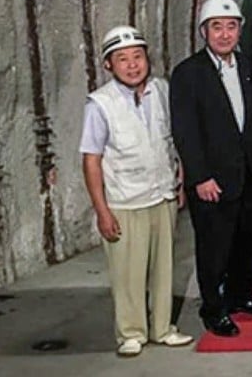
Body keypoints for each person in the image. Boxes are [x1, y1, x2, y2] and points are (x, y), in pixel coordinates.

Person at [80, 25, 193, 357]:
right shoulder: (100, 104)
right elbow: (91, 161)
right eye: (122, 59)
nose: (132, 65)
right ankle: (130, 332)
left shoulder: (161, 90)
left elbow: (173, 139)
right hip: (124, 201)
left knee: (163, 268)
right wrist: (102, 211)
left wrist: (180, 180)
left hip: (161, 195)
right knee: (128, 272)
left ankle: (162, 328)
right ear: (108, 65)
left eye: (138, 57)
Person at [170, 0, 252, 338]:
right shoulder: (189, 73)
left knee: (248, 242)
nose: (225, 34)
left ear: (240, 30)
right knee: (214, 248)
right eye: (217, 27)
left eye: (231, 27)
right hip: (211, 180)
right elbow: (185, 130)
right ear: (204, 31)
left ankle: (241, 296)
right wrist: (199, 177)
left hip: (244, 174)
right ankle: (213, 309)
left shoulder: (246, 67)